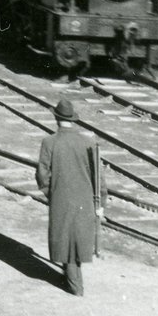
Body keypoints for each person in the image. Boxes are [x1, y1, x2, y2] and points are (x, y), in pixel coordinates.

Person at [35, 97, 104, 296]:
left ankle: (76, 287)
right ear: (73, 120)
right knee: (78, 238)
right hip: (85, 200)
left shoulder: (49, 142)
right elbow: (99, 177)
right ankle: (72, 276)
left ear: (56, 119)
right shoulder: (88, 142)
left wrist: (51, 193)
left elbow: (42, 174)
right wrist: (101, 202)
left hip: (61, 199)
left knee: (64, 238)